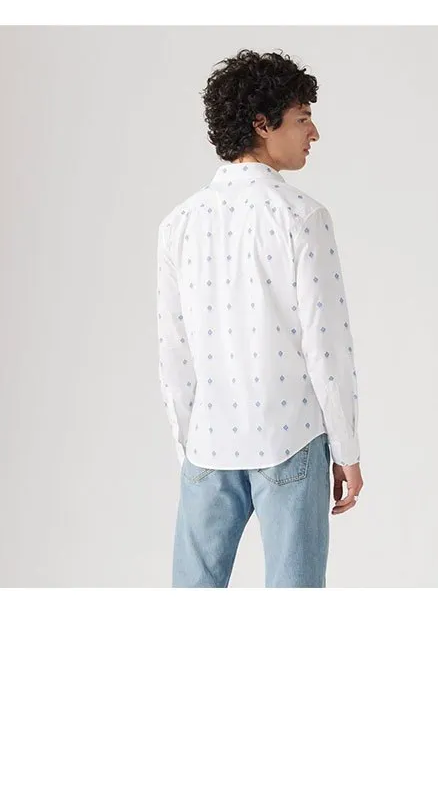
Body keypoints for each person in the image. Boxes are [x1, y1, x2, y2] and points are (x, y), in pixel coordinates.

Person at [156, 49, 363, 587]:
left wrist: (189, 447)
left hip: (208, 441)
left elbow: (173, 351)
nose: (313, 132)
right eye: (302, 118)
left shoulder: (179, 223)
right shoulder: (303, 217)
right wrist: (346, 449)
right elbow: (327, 346)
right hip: (290, 436)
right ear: (262, 124)